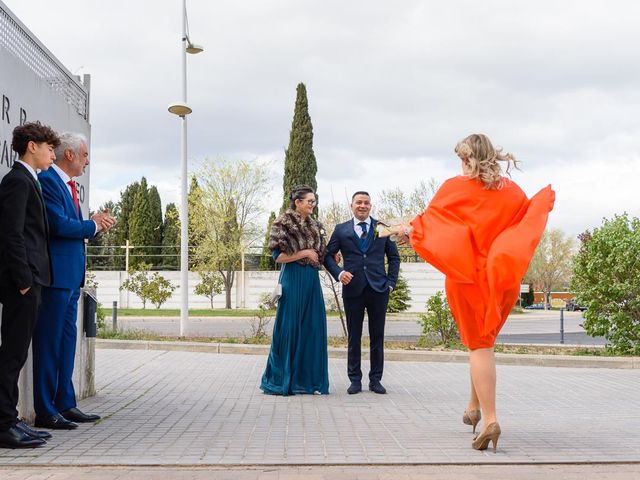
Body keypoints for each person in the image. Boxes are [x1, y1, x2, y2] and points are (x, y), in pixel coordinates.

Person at [403, 134, 554, 452]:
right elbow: (523, 225)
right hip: (501, 280)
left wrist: (409, 232)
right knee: (481, 344)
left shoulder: (454, 187)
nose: (462, 164)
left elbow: (433, 226)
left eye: (464, 157)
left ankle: (490, 420)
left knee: (479, 346)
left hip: (468, 278)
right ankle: (473, 407)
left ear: (476, 157)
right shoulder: (513, 192)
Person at [31, 132, 115, 430]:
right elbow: (57, 225)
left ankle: (65, 403)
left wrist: (92, 221)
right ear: (70, 155)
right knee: (48, 344)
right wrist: (91, 224)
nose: (87, 161)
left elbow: (71, 225)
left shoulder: (68, 186)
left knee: (66, 344)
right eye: (85, 155)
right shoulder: (48, 182)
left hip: (70, 280)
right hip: (54, 279)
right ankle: (45, 410)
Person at [0, 122, 59, 448]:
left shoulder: (28, 180)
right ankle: (4, 424)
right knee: (11, 355)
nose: (53, 154)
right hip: (22, 283)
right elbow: (11, 234)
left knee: (16, 354)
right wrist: (24, 281)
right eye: (50, 148)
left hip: (31, 281)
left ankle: (11, 421)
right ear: (32, 146)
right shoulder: (17, 181)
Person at [324, 191, 400, 395]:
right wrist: (339, 274)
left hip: (379, 289)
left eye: (366, 203)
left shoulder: (382, 228)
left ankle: (375, 380)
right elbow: (327, 256)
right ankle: (354, 379)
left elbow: (394, 258)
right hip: (353, 289)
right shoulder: (341, 230)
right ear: (352, 205)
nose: (362, 206)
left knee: (377, 336)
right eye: (359, 202)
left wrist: (391, 283)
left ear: (370, 206)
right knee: (354, 336)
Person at [260, 185, 329, 395]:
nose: (313, 204)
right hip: (293, 279)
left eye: (314, 201)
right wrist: (304, 252)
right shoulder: (282, 223)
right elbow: (277, 257)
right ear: (297, 202)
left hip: (311, 281)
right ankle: (283, 380)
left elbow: (320, 255)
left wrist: (330, 258)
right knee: (290, 330)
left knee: (313, 329)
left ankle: (310, 382)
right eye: (310, 201)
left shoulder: (316, 225)